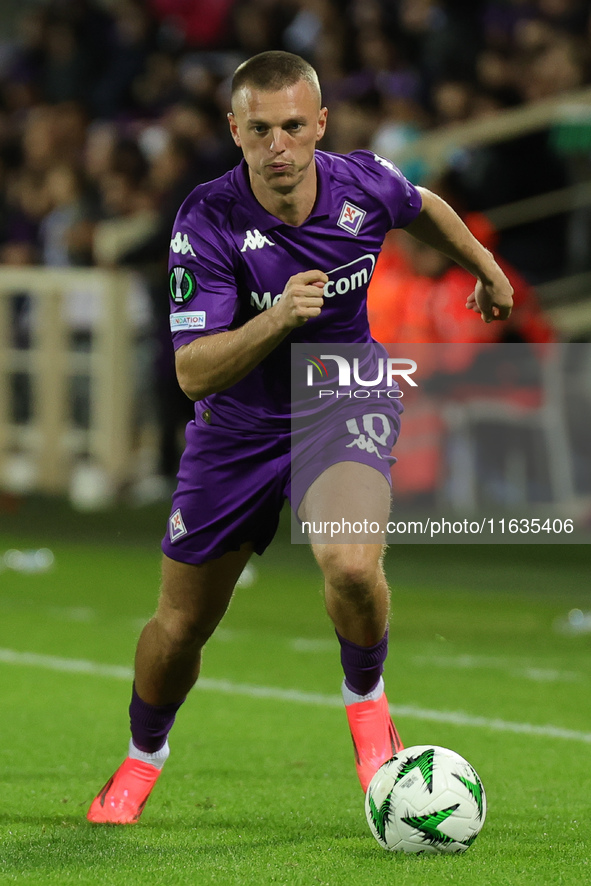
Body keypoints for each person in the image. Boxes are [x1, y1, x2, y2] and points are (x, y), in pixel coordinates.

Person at [87, 50, 513, 824]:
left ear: (319, 124)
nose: (278, 146)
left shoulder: (362, 184)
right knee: (179, 628)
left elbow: (424, 206)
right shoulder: (206, 220)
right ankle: (142, 756)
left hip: (339, 395)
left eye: (292, 127)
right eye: (259, 130)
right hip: (238, 427)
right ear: (235, 131)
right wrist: (277, 315)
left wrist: (485, 268)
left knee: (350, 564)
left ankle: (368, 707)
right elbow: (192, 374)